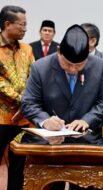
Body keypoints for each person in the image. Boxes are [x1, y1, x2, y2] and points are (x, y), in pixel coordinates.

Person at [21, 24, 103, 189]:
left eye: (79, 65)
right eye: (68, 64)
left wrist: (88, 119)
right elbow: (29, 103)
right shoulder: (40, 68)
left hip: (87, 142)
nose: (72, 70)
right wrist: (45, 121)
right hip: (52, 142)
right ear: (59, 51)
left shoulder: (101, 67)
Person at [0, 5, 34, 190]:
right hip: (1, 118)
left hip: (22, 120)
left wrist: (26, 104)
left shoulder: (27, 49)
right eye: (22, 25)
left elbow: (34, 77)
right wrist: (23, 101)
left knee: (19, 166)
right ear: (7, 24)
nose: (25, 28)